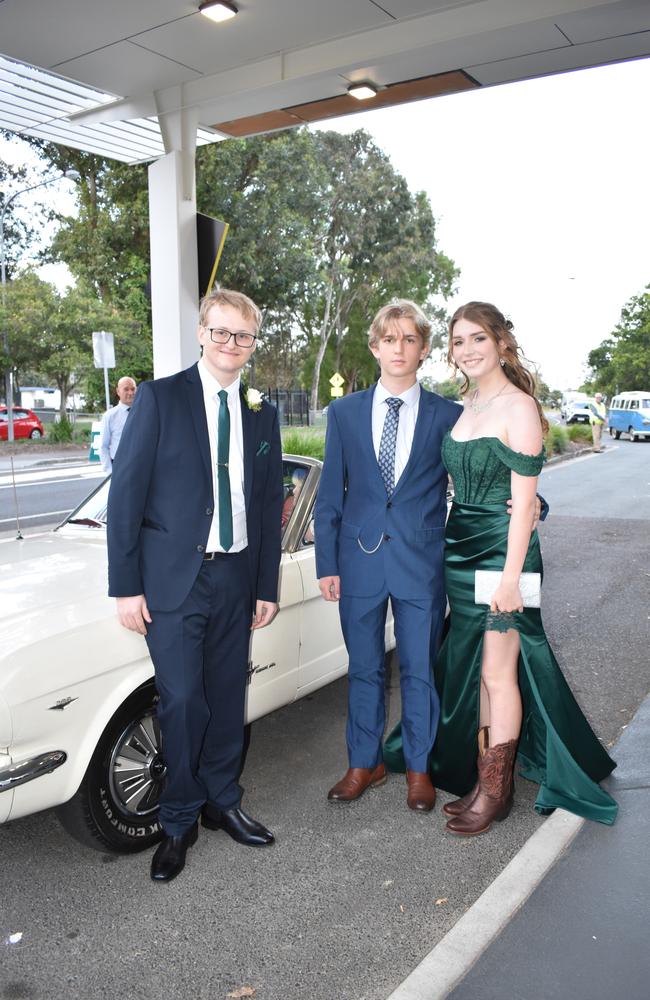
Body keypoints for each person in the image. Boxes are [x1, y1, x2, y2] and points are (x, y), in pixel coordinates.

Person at [385, 302, 617, 833]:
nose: (466, 350)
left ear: (502, 344)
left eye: (477, 340)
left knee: (498, 672)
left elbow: (524, 502)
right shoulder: (467, 406)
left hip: (504, 555)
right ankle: (486, 781)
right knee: (486, 676)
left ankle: (497, 791)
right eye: (458, 341)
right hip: (460, 552)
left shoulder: (519, 408)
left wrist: (513, 578)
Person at [107, 288, 284, 882]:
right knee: (183, 701)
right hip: (173, 581)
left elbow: (263, 505)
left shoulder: (262, 410)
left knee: (229, 696)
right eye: (222, 332)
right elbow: (126, 494)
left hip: (236, 575)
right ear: (202, 333)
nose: (232, 344)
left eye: (244, 335)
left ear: (253, 343)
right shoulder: (159, 398)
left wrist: (265, 585)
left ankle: (221, 801)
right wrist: (125, 586)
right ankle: (177, 820)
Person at [315, 300, 461, 812]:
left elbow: (473, 481)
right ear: (374, 347)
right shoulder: (345, 412)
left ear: (423, 349)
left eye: (409, 340)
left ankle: (419, 768)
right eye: (389, 339)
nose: (398, 348)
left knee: (420, 668)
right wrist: (327, 564)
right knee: (364, 668)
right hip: (358, 562)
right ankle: (365, 762)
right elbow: (330, 493)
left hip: (423, 565)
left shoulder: (448, 415)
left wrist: (527, 502)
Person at [98, 376, 137, 473]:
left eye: (133, 389)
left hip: (140, 464)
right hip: (119, 466)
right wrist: (109, 471)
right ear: (118, 391)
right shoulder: (109, 416)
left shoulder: (143, 412)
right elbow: (103, 445)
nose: (131, 393)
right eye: (126, 389)